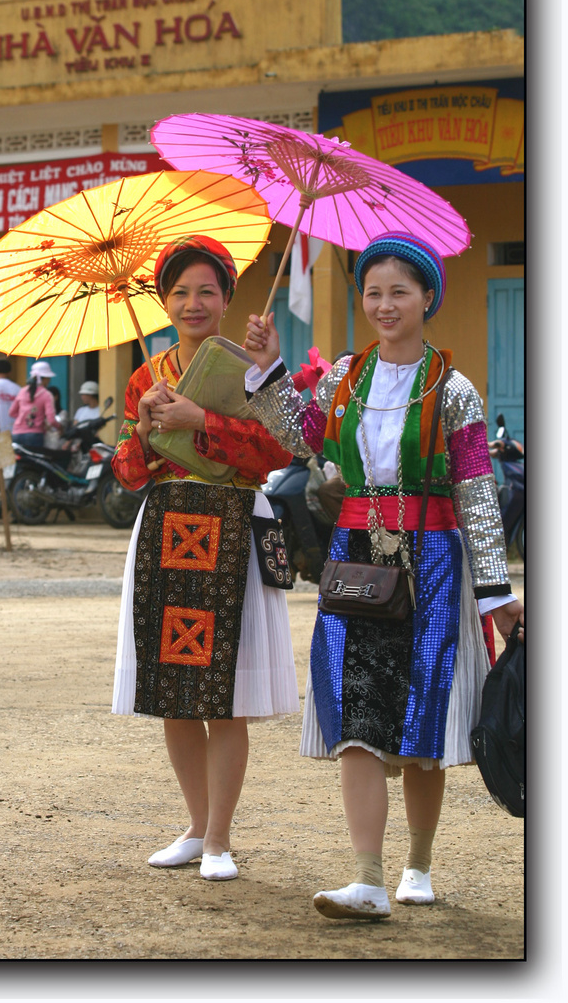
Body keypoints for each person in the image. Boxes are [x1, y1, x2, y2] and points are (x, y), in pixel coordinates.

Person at [243, 231, 524, 920]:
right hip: (355, 564)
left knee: (421, 724)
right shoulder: (344, 379)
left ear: (427, 297)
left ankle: (416, 863)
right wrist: (268, 370)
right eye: (372, 292)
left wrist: (495, 591)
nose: (383, 304)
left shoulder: (452, 391)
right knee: (357, 714)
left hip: (431, 563)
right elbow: (305, 438)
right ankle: (365, 877)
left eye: (399, 291)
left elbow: (476, 494)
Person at [111, 234, 299, 882]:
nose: (192, 303)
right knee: (175, 693)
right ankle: (194, 827)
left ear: (226, 300)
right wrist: (142, 428)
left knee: (225, 695)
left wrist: (198, 419)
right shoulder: (145, 375)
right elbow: (129, 474)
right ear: (164, 303)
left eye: (205, 291)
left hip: (232, 528)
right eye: (179, 292)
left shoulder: (251, 370)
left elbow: (278, 454)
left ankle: (220, 839)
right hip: (165, 528)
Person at [8, 361, 64, 450]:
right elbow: (51, 420)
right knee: (34, 463)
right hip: (35, 435)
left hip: (17, 433)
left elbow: (11, 412)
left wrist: (24, 417)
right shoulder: (46, 394)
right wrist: (60, 427)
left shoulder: (22, 391)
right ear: (45, 378)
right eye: (49, 378)